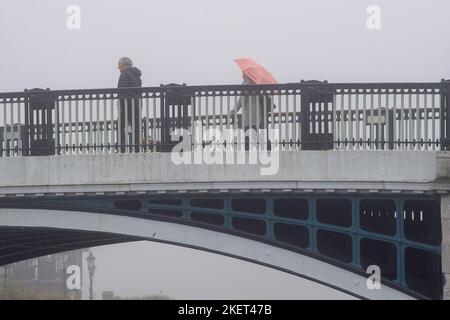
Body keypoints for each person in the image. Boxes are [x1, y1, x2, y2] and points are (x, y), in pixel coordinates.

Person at [230, 73, 275, 149]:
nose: (242, 76)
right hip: (258, 112)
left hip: (249, 113)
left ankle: (250, 147)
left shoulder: (246, 85)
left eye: (243, 74)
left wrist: (234, 111)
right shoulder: (257, 84)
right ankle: (266, 143)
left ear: (247, 75)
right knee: (255, 129)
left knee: (248, 130)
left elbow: (241, 101)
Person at [117, 57, 142, 153]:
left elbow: (122, 91)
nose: (118, 67)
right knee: (135, 126)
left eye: (119, 64)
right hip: (136, 104)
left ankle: (122, 148)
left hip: (127, 105)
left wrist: (122, 106)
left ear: (123, 65)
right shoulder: (137, 75)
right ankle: (136, 147)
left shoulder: (124, 74)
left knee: (120, 125)